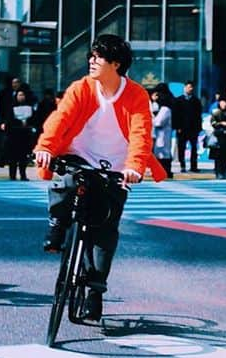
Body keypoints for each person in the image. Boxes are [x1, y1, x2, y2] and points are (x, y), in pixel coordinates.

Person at [34, 34, 167, 321]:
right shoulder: (81, 88)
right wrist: (45, 148)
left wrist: (134, 167)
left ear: (116, 64)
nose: (91, 61)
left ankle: (95, 290)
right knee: (65, 181)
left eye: (99, 56)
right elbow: (60, 120)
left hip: (117, 167)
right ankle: (57, 223)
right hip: (79, 155)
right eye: (91, 56)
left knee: (105, 228)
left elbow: (141, 135)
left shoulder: (135, 95)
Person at [2, 88, 35, 180]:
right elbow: (9, 121)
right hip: (14, 135)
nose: (21, 97)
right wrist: (19, 123)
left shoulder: (30, 107)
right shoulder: (11, 107)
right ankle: (12, 175)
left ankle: (23, 175)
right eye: (19, 95)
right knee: (13, 157)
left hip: (24, 135)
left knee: (23, 157)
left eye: (23, 95)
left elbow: (34, 119)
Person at [173, 81, 203, 173]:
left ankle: (194, 166)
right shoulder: (178, 100)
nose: (190, 89)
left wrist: (199, 128)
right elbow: (175, 115)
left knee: (194, 148)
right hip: (182, 128)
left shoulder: (196, 101)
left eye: (192, 87)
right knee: (181, 148)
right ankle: (182, 165)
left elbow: (199, 115)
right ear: (185, 88)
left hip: (193, 128)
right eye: (189, 87)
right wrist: (177, 127)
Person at [150, 84, 174, 179]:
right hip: (159, 134)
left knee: (163, 153)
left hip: (163, 134)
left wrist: (151, 119)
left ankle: (166, 172)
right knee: (160, 153)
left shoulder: (165, 109)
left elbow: (158, 122)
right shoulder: (161, 108)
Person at [209, 97, 226, 179]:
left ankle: (224, 171)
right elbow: (213, 123)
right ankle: (218, 172)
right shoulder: (216, 112)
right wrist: (221, 123)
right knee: (218, 156)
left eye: (225, 102)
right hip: (218, 136)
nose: (224, 104)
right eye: (222, 102)